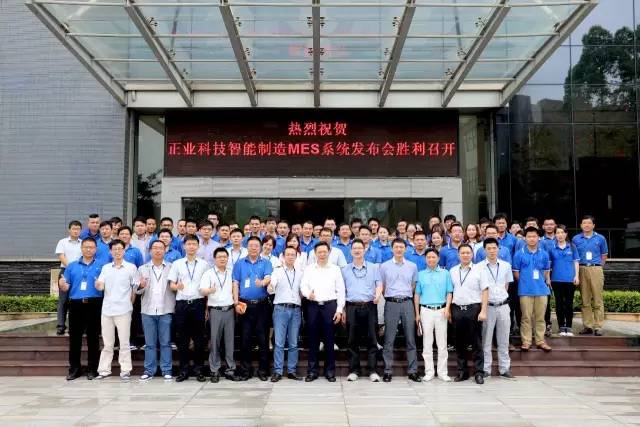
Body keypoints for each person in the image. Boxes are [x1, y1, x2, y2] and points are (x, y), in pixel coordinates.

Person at [59, 237, 105, 380]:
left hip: (95, 303)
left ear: (95, 249)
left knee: (93, 338)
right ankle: (74, 369)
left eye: (91, 247)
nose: (88, 249)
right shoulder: (72, 266)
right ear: (81, 248)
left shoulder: (102, 266)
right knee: (75, 338)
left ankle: (92, 369)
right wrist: (63, 285)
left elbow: (106, 285)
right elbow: (66, 286)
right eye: (86, 247)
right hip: (76, 304)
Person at [300, 242, 345, 382]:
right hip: (313, 306)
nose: (322, 254)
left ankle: (330, 371)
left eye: (325, 251)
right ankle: (312, 371)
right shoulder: (309, 269)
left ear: (329, 252)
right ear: (315, 253)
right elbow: (303, 285)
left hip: (329, 306)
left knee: (329, 340)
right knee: (312, 339)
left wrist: (339, 309)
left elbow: (341, 290)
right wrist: (308, 294)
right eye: (319, 252)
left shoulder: (335, 269)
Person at [95, 240, 139, 380]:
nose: (117, 251)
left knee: (124, 342)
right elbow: (101, 285)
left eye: (120, 249)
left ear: (124, 251)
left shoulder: (131, 267)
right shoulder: (106, 268)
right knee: (107, 343)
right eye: (114, 249)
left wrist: (130, 305)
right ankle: (104, 370)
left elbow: (135, 288)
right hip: (107, 309)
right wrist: (98, 285)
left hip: (124, 309)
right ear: (110, 251)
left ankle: (125, 370)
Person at [167, 234, 210, 382]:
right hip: (182, 304)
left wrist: (206, 308)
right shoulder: (177, 264)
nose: (191, 247)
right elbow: (171, 285)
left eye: (194, 244)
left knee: (199, 339)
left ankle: (199, 370)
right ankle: (183, 370)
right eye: (189, 244)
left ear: (198, 246)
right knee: (183, 339)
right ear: (184, 246)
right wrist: (177, 286)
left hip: (198, 303)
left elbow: (207, 287)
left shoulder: (204, 264)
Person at [232, 236, 273, 381]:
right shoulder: (239, 263)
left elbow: (268, 277)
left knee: (263, 339)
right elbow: (235, 283)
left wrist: (262, 282)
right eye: (251, 245)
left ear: (260, 248)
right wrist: (236, 302)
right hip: (244, 305)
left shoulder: (266, 262)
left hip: (262, 305)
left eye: (256, 245)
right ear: (247, 247)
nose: (254, 248)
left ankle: (263, 371)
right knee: (245, 339)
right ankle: (245, 371)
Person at [342, 239, 383, 382]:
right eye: (354, 248)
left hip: (369, 306)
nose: (357, 250)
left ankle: (372, 370)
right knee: (352, 339)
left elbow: (379, 284)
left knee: (372, 338)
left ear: (364, 250)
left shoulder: (373, 267)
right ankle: (354, 370)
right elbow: (342, 290)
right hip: (351, 306)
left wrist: (378, 295)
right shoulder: (345, 269)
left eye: (360, 248)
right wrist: (343, 310)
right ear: (351, 251)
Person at [379, 238, 420, 383]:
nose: (399, 249)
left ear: (405, 249)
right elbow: (382, 286)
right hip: (391, 303)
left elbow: (413, 285)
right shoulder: (384, 266)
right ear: (392, 249)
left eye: (401, 247)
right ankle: (387, 371)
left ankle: (413, 371)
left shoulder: (412, 266)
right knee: (389, 339)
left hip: (407, 302)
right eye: (396, 247)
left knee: (410, 338)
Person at [136, 240, 175, 380]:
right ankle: (149, 370)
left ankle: (167, 370)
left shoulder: (171, 267)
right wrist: (140, 286)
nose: (158, 250)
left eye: (160, 248)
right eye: (155, 248)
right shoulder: (142, 268)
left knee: (165, 342)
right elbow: (137, 290)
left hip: (165, 309)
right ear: (150, 251)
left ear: (165, 250)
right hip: (148, 310)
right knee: (150, 343)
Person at [450, 244, 488, 384]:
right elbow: (450, 291)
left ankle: (479, 373)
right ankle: (462, 372)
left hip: (474, 309)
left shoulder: (480, 270)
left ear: (472, 255)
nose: (465, 255)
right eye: (462, 253)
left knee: (476, 342)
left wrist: (483, 310)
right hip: (457, 309)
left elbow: (485, 291)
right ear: (458, 255)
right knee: (459, 342)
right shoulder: (453, 271)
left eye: (468, 253)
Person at [200, 247, 238, 383]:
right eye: (219, 257)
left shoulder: (232, 272)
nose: (222, 259)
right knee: (214, 340)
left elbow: (235, 287)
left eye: (224, 257)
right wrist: (210, 290)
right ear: (215, 259)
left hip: (229, 310)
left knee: (229, 341)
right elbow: (202, 290)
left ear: (228, 259)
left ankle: (230, 369)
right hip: (215, 310)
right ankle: (214, 370)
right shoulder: (209, 273)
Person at [414, 248, 453, 382]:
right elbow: (417, 294)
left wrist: (447, 308)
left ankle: (442, 372)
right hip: (426, 311)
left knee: (442, 343)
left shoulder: (445, 273)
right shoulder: (421, 274)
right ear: (425, 259)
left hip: (441, 310)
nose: (431, 259)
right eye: (428, 257)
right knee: (427, 343)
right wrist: (417, 313)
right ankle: (429, 372)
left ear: (438, 259)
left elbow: (449, 292)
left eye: (433, 257)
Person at [480, 237, 515, 380]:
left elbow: (507, 285)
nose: (492, 251)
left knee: (504, 339)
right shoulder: (479, 267)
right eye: (489, 248)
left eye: (494, 248)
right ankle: (486, 369)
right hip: (488, 306)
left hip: (503, 305)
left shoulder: (506, 265)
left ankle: (504, 369)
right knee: (486, 339)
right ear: (484, 250)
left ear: (498, 249)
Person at [513, 227, 552, 352]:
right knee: (526, 317)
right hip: (525, 290)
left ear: (538, 238)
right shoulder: (519, 254)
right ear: (524, 238)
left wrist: (539, 281)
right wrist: (526, 282)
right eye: (529, 236)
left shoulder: (544, 254)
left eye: (534, 236)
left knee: (540, 318)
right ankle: (526, 341)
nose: (532, 239)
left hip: (541, 290)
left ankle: (540, 341)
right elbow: (516, 272)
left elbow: (546, 271)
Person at [268, 246, 303, 382]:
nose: (290, 257)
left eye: (293, 255)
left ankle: (292, 371)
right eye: (288, 254)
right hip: (281, 309)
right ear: (283, 257)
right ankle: (278, 371)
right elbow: (272, 287)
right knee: (279, 342)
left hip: (296, 309)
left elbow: (303, 290)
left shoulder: (300, 273)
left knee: (294, 342)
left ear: (296, 257)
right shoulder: (277, 272)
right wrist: (271, 287)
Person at [572, 215, 608, 336]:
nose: (586, 225)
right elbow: (574, 256)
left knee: (598, 299)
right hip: (581, 268)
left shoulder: (601, 238)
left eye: (589, 223)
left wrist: (598, 267)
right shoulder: (576, 239)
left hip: (595, 268)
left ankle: (598, 326)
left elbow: (604, 255)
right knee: (585, 299)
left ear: (593, 225)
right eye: (584, 223)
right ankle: (587, 326)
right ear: (581, 225)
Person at [549, 225, 580, 336]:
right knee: (559, 304)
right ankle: (561, 327)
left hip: (570, 280)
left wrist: (577, 276)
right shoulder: (551, 248)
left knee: (569, 304)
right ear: (555, 235)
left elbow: (576, 262)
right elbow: (549, 265)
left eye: (562, 232)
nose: (560, 235)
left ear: (566, 234)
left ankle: (569, 327)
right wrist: (548, 279)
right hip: (556, 280)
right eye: (558, 233)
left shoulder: (572, 246)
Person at [55, 220, 83, 335]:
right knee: (63, 300)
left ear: (81, 230)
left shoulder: (83, 243)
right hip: (65, 272)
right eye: (74, 229)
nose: (76, 231)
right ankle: (61, 326)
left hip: (80, 274)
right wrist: (72, 268)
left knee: (76, 300)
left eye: (78, 229)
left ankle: (74, 326)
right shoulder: (62, 242)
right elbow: (61, 256)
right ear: (69, 230)